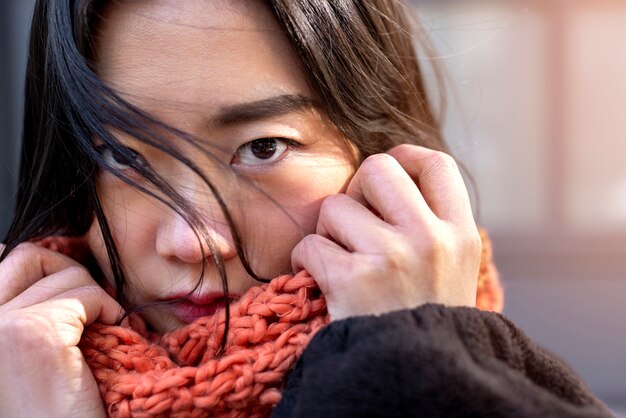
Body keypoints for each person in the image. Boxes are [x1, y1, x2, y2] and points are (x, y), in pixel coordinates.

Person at [0, 0, 613, 417]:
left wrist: (410, 361)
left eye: (263, 148)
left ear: (379, 157)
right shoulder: (22, 367)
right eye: (124, 159)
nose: (192, 241)